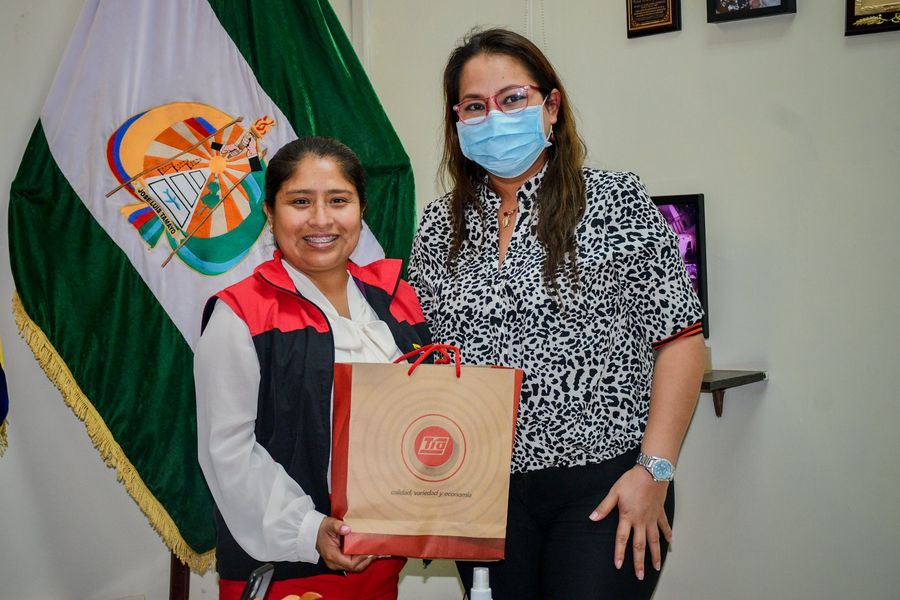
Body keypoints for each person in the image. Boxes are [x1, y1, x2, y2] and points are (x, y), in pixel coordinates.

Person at [408, 28, 706, 600]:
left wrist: (656, 471)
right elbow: (423, 358)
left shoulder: (615, 201)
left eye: (512, 98)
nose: (494, 116)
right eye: (475, 106)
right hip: (481, 494)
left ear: (551, 105)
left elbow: (681, 340)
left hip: (603, 486)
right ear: (457, 121)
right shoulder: (439, 224)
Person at [195, 136, 430, 600]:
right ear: (270, 212)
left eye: (338, 201)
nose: (321, 219)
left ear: (361, 210)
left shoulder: (397, 301)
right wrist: (308, 530)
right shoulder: (239, 314)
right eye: (300, 202)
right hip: (284, 571)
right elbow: (227, 451)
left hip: (379, 562)